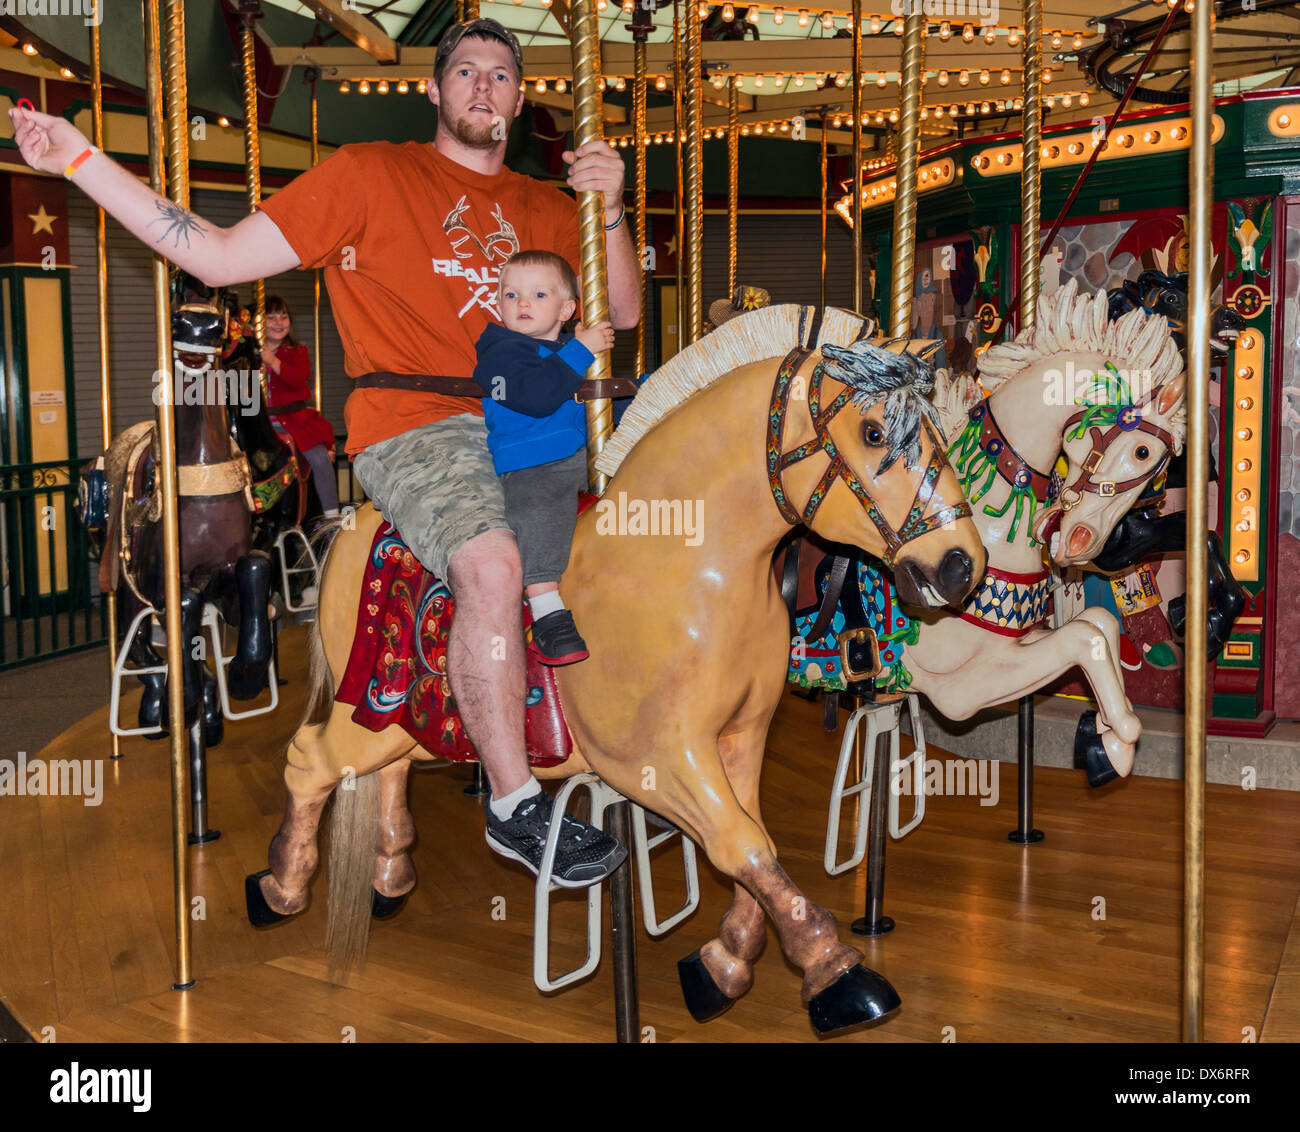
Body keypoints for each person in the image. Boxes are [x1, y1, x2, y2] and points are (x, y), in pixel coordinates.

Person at [10, 17, 642, 887]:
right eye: (465, 72)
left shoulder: (549, 206)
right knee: (493, 568)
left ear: (521, 97)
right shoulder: (369, 175)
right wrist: (79, 160)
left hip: (540, 427)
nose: (483, 88)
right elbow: (219, 254)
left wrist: (610, 209)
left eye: (501, 75)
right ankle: (512, 807)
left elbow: (627, 310)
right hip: (420, 424)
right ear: (434, 89)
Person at [473, 250, 614, 665]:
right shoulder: (501, 352)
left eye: (537, 293)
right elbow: (535, 396)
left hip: (586, 455)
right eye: (510, 294)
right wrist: (581, 352)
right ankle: (546, 609)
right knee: (541, 506)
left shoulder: (575, 351)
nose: (522, 303)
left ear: (567, 308)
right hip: (533, 463)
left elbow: (601, 400)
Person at [260, 295, 340, 517]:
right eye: (271, 317)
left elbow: (299, 377)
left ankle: (331, 515)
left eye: (283, 317)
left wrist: (273, 361)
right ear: (259, 322)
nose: (278, 323)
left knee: (320, 459)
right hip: (262, 423)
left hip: (294, 421)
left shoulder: (297, 351)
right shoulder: (251, 354)